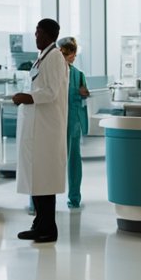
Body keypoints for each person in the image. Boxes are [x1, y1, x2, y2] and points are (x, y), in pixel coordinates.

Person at [12, 19, 69, 244]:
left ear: (47, 34)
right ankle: (39, 224)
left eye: (37, 32)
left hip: (47, 129)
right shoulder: (43, 56)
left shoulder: (54, 57)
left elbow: (51, 92)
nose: (35, 36)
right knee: (37, 178)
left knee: (44, 178)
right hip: (37, 128)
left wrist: (27, 97)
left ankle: (48, 228)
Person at [58, 37, 89, 209]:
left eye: (72, 54)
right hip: (54, 121)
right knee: (48, 160)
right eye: (66, 53)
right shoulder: (53, 71)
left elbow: (83, 99)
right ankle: (39, 201)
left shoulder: (78, 75)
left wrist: (84, 94)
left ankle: (74, 198)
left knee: (74, 161)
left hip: (72, 122)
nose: (70, 57)